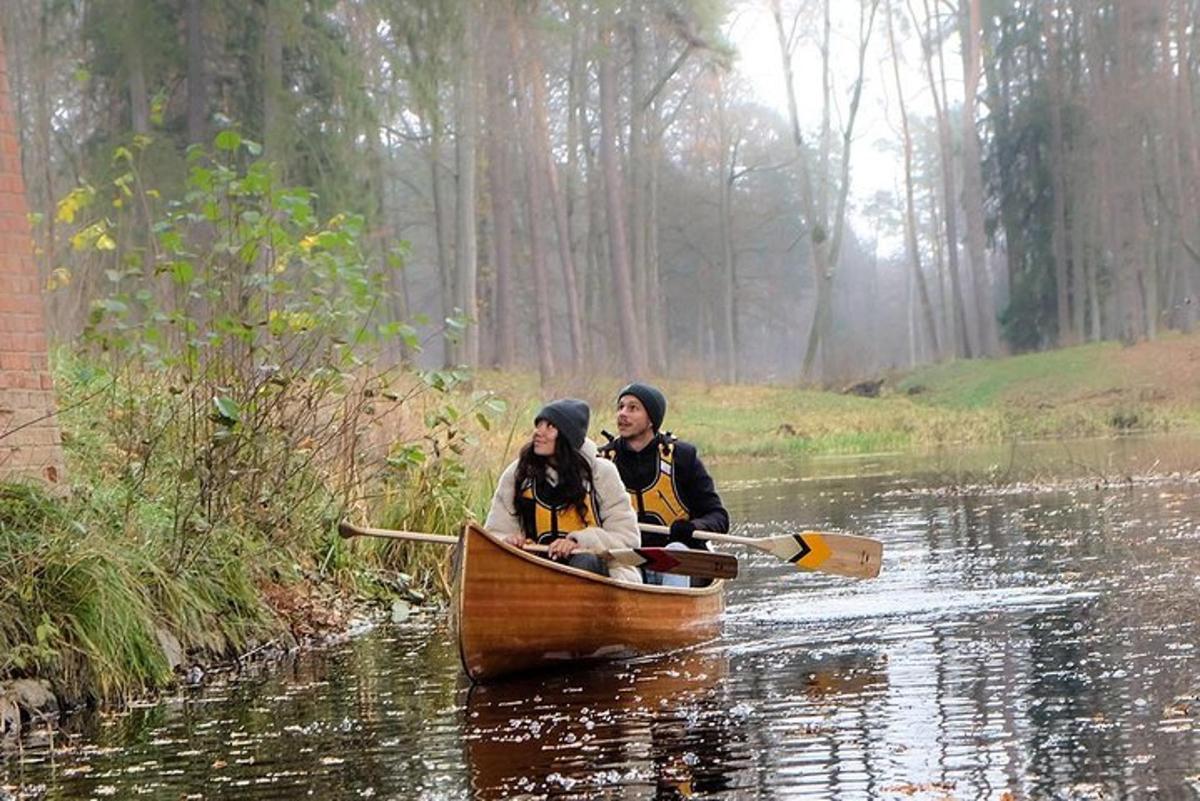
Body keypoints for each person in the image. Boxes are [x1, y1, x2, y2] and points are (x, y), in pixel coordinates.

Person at [484, 398, 642, 584]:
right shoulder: (517, 474)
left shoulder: (602, 473)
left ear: (568, 436)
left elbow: (628, 540)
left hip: (600, 573)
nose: (538, 433)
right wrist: (509, 542)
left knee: (585, 561)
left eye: (549, 427)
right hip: (535, 569)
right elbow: (495, 532)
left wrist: (579, 543)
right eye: (538, 425)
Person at [599, 383, 729, 587]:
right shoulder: (603, 463)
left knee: (676, 548)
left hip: (681, 560)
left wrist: (692, 527)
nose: (622, 414)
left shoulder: (683, 457)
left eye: (633, 408)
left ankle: (673, 610)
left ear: (651, 419)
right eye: (621, 407)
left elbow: (719, 518)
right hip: (628, 562)